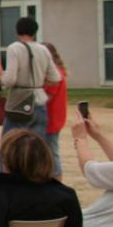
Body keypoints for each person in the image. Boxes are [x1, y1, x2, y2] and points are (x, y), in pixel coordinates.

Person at [0, 16, 60, 137]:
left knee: (9, 147)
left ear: (17, 31)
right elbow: (55, 78)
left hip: (19, 103)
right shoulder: (43, 49)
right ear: (35, 32)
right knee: (35, 148)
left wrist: (0, 75)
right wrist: (37, 82)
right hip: (40, 102)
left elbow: (10, 80)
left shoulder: (14, 48)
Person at [42, 42, 68, 178]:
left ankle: (56, 178)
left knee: (51, 152)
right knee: (49, 151)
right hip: (53, 118)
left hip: (51, 118)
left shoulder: (54, 73)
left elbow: (47, 97)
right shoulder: (57, 71)